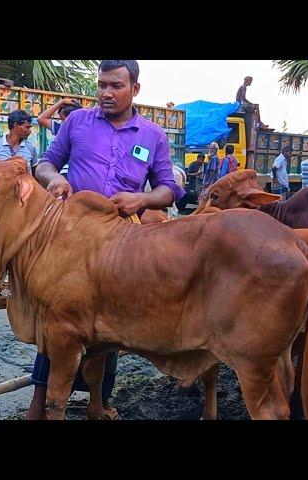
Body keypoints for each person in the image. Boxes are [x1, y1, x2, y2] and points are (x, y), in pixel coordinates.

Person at [31, 59, 185, 420]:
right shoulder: (77, 122)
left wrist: (142, 198)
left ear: (135, 89)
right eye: (101, 85)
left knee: (109, 322)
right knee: (59, 319)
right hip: (71, 238)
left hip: (121, 241)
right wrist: (54, 179)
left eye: (115, 85)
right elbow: (45, 162)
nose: (105, 93)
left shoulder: (153, 135)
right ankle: (39, 406)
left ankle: (97, 403)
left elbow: (171, 189)